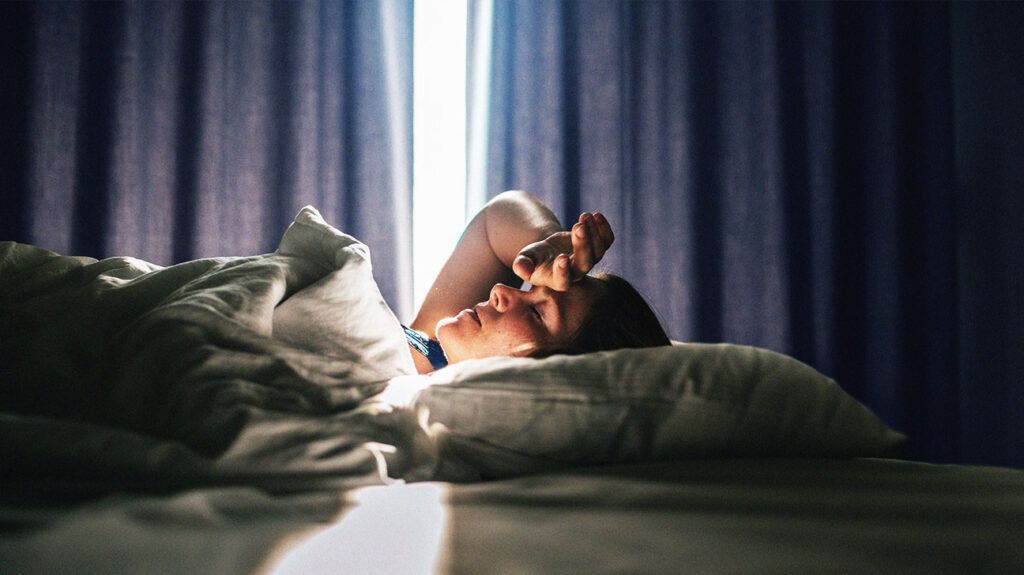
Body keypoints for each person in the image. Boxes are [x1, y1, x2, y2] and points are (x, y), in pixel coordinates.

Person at [404, 190, 670, 374]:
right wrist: (545, 246)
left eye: (535, 313)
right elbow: (498, 213)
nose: (499, 290)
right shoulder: (428, 353)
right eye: (532, 289)